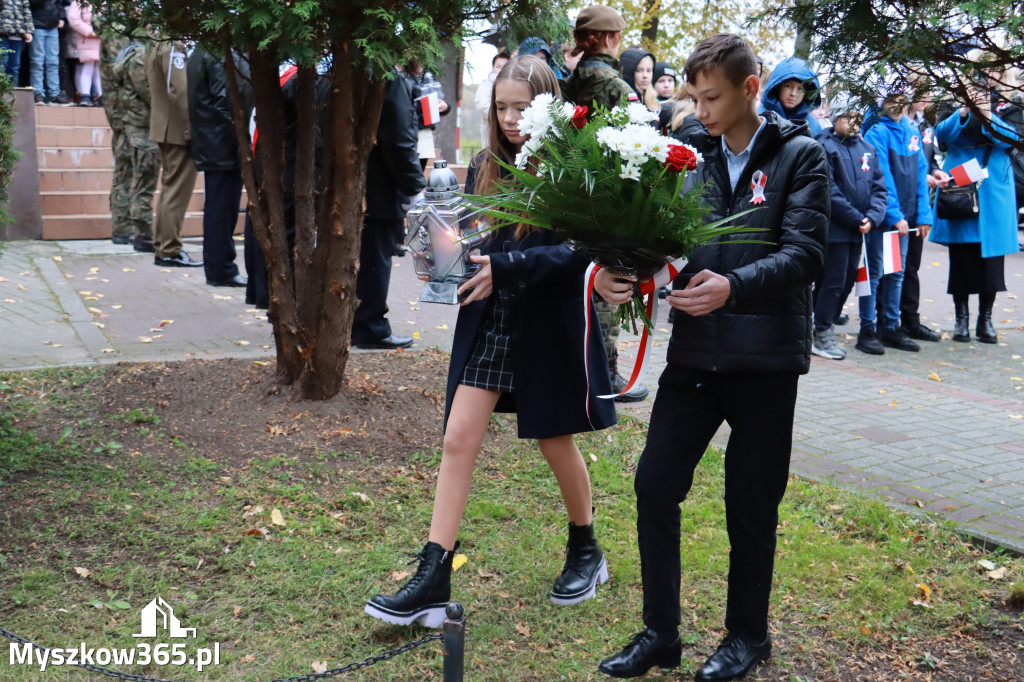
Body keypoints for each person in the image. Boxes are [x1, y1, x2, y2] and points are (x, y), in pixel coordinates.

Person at [595, 33, 828, 681]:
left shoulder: (800, 157)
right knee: (654, 486)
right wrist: (621, 271)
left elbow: (806, 255)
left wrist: (734, 287)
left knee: (750, 506)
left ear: (751, 88)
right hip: (695, 360)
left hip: (766, 364)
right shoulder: (686, 158)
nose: (698, 110)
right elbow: (658, 240)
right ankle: (660, 634)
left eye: (712, 97)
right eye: (693, 97)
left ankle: (747, 637)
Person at [364, 55, 616, 627]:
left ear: (548, 106)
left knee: (555, 440)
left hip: (547, 322)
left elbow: (580, 253)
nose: (509, 118)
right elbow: (471, 238)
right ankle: (435, 574)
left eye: (521, 108)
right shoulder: (484, 164)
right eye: (501, 107)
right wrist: (440, 252)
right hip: (491, 318)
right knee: (458, 438)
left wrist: (507, 268)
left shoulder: (574, 166)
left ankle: (586, 548)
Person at [561, 4, 648, 403]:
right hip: (611, 200)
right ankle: (605, 373)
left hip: (569, 195)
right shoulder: (619, 88)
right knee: (608, 287)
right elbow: (640, 145)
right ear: (611, 39)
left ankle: (576, 365)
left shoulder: (565, 83)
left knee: (578, 281)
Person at [930, 83, 1020, 343]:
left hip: (993, 194)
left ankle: (986, 320)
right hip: (961, 189)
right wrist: (962, 113)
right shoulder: (952, 108)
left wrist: (988, 116)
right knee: (961, 261)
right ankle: (961, 320)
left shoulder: (1007, 107)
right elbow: (942, 136)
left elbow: (1012, 139)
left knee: (991, 264)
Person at [351, 67, 423, 350]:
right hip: (378, 187)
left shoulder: (357, 71)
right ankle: (370, 326)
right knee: (373, 260)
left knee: (365, 258)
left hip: (360, 182)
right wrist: (414, 186)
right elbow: (398, 139)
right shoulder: (388, 78)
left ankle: (360, 324)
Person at [811, 96, 888, 360]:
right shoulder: (824, 146)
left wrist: (872, 218)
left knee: (846, 281)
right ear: (836, 118)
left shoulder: (867, 148)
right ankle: (821, 331)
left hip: (858, 231)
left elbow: (879, 188)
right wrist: (857, 218)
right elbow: (828, 190)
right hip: (835, 229)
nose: (853, 122)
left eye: (857, 117)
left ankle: (821, 324)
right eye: (847, 117)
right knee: (831, 282)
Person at [858, 91, 932, 354]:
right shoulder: (876, 132)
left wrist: (923, 215)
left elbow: (921, 173)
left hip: (905, 219)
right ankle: (868, 328)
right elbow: (882, 177)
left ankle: (891, 326)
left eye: (901, 100)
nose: (896, 106)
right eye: (890, 100)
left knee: (896, 274)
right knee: (875, 274)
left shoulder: (911, 131)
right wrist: (895, 215)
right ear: (881, 102)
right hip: (883, 219)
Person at [186, 46, 247, 287]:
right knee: (222, 208)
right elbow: (225, 102)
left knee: (218, 206)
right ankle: (221, 268)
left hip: (212, 140)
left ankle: (218, 267)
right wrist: (240, 138)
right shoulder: (217, 53)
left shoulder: (200, 51)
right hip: (221, 142)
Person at [899, 84, 949, 341]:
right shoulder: (898, 124)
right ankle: (887, 321)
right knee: (893, 267)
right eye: (923, 92)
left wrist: (935, 171)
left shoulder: (926, 125)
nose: (928, 98)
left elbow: (926, 160)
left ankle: (910, 320)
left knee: (912, 266)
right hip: (898, 205)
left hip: (919, 205)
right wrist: (924, 176)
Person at [146, 38, 202, 267]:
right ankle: (169, 249)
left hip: (168, 126)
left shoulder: (156, 42)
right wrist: (191, 128)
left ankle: (163, 246)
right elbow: (179, 89)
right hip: (177, 129)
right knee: (177, 192)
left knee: (170, 189)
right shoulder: (174, 45)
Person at [103, 33, 158, 252]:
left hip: (123, 120)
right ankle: (142, 234)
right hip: (139, 123)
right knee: (142, 179)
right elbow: (146, 88)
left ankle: (122, 229)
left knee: (124, 177)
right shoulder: (137, 49)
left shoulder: (121, 43)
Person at [759, 56, 822, 135]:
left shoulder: (814, 127)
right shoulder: (758, 117)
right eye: (788, 86)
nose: (793, 93)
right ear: (778, 87)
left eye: (799, 89)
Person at [405, 61, 450, 170]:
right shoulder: (404, 78)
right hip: (408, 132)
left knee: (419, 171)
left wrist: (445, 106)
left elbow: (439, 101)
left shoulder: (426, 78)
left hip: (424, 132)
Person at [29, 0, 71, 104]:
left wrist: (62, 17)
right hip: (37, 25)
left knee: (53, 62)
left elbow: (62, 3)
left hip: (53, 26)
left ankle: (54, 93)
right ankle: (38, 92)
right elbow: (31, 3)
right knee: (37, 61)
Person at [473, 50, 510, 150]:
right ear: (492, 68)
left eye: (505, 67)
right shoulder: (487, 84)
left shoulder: (514, 86)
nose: (501, 70)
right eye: (498, 67)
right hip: (492, 133)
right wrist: (503, 117)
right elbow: (482, 106)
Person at [65, 0, 99, 106]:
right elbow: (73, 18)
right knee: (87, 67)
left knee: (100, 69)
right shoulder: (79, 2)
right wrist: (89, 31)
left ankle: (100, 96)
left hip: (105, 39)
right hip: (88, 39)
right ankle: (85, 96)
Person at [0, 0, 34, 84]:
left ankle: (13, 91)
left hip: (18, 34)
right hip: (2, 34)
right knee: (2, 63)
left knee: (14, 64)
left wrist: (29, 31)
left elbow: (27, 13)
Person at [619, 46, 658, 111]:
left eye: (649, 71)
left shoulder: (654, 101)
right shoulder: (621, 98)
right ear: (629, 72)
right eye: (639, 70)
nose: (645, 75)